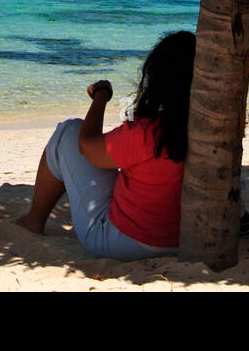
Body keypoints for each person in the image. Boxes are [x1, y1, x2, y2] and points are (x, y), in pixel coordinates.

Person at [15, 30, 195, 260]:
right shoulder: (214, 131)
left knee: (67, 131)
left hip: (124, 243)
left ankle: (33, 221)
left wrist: (100, 97)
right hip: (189, 240)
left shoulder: (149, 133)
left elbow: (86, 146)